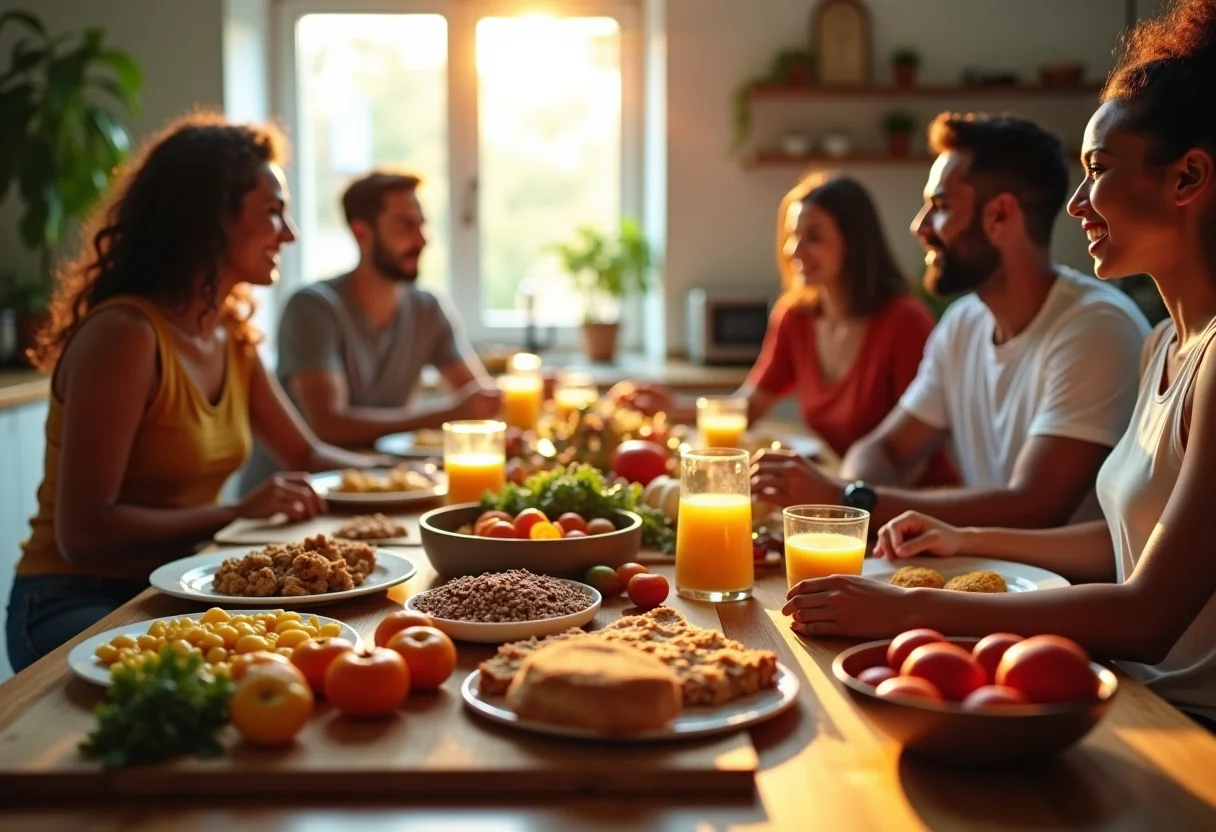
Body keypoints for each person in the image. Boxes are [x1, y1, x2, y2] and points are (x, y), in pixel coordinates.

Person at [783, 0, 1216, 729]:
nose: (1076, 204)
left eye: (1098, 170)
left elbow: (1148, 613)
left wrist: (911, 605)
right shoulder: (1163, 343)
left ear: (1188, 178)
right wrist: (966, 539)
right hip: (1117, 686)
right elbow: (1123, 543)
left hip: (1184, 723)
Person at [6, 113, 379, 672]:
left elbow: (307, 455)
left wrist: (419, 480)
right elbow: (83, 532)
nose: (290, 232)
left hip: (177, 587)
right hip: (73, 597)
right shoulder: (126, 336)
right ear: (208, 221)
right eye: (272, 211)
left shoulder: (228, 332)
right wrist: (234, 510)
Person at [752, 114, 1150, 529]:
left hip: (1057, 588)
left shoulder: (1095, 328)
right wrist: (850, 505)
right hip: (981, 573)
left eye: (940, 207)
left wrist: (845, 498)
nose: (919, 226)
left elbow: (1034, 508)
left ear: (1000, 215)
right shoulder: (964, 324)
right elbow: (884, 448)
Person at [612, 172, 956, 485]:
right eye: (793, 236)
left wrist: (845, 497)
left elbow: (914, 451)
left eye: (814, 237)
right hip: (842, 491)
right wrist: (674, 407)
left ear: (854, 242)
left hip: (911, 504)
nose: (794, 250)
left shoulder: (904, 321)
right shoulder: (796, 316)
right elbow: (749, 406)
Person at [239, 171, 498, 493]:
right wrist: (448, 414)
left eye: (422, 224)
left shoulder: (428, 308)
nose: (422, 239)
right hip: (297, 498)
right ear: (362, 232)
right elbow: (328, 425)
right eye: (405, 225)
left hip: (388, 484)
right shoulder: (313, 308)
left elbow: (478, 400)